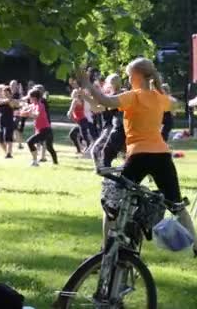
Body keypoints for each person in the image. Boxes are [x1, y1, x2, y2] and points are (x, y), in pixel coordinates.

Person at [79, 57, 196, 253]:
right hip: (161, 156)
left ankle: (105, 249)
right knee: (176, 204)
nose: (128, 79)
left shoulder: (133, 96)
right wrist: (160, 93)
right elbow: (175, 104)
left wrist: (88, 84)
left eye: (128, 76)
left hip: (138, 156)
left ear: (136, 76)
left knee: (112, 205)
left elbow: (105, 101)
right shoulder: (158, 97)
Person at [88, 74, 126, 168]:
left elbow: (99, 108)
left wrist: (86, 96)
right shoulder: (121, 94)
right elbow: (96, 108)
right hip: (121, 128)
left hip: (115, 128)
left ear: (111, 83)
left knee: (97, 151)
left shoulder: (116, 96)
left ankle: (103, 173)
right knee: (126, 154)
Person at [21, 89, 58, 167]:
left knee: (30, 142)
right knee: (49, 147)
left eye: (30, 97)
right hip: (42, 130)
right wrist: (22, 112)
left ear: (34, 98)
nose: (28, 99)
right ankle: (55, 163)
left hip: (45, 130)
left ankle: (35, 162)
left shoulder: (40, 105)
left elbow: (36, 115)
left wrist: (28, 113)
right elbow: (26, 110)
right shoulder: (33, 105)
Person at [0, 85, 19, 158]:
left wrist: (6, 101)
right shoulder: (0, 100)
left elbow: (14, 104)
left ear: (10, 93)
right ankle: (7, 152)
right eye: (4, 92)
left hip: (9, 122)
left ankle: (8, 153)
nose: (5, 94)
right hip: (1, 122)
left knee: (8, 138)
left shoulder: (12, 101)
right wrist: (0, 104)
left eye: (7, 92)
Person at [67, 89, 92, 154]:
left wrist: (69, 114)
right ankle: (79, 150)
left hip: (82, 121)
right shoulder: (82, 100)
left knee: (82, 135)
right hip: (82, 121)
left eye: (75, 93)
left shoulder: (75, 101)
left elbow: (70, 112)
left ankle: (88, 148)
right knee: (75, 134)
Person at [10, 80, 26, 149]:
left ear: (17, 86)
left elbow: (22, 102)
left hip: (17, 113)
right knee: (14, 128)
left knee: (14, 127)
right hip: (9, 113)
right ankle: (19, 143)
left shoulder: (18, 94)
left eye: (14, 85)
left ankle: (19, 143)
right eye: (12, 85)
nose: (13, 86)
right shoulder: (8, 93)